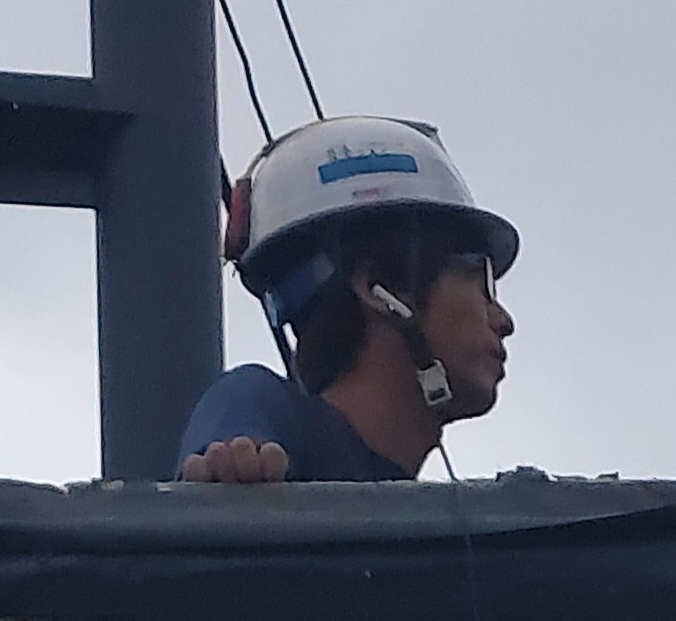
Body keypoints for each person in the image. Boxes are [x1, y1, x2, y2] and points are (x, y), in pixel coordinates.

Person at [177, 115, 518, 482]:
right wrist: (236, 469)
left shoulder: (420, 520)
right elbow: (234, 431)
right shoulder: (258, 405)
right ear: (379, 286)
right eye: (480, 281)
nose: (504, 321)